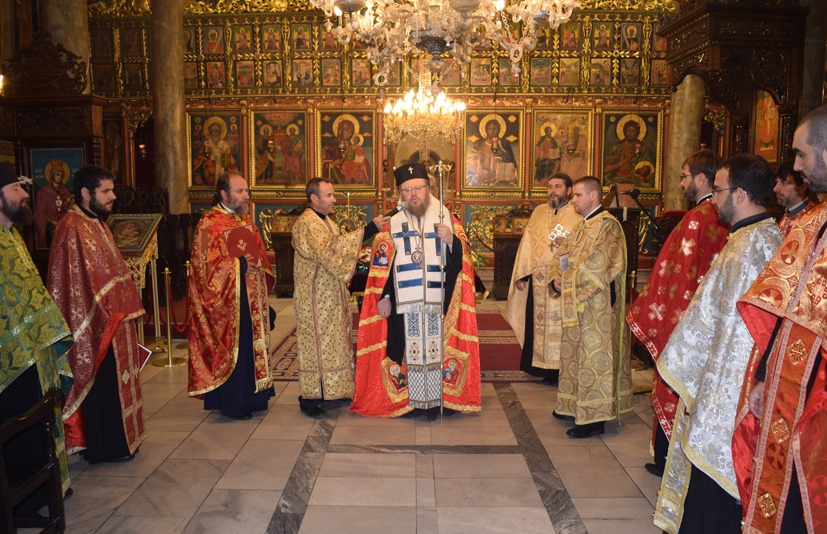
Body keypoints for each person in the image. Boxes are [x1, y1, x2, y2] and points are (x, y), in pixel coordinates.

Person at [653, 154, 782, 534]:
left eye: (720, 190)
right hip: (724, 372)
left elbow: (737, 334)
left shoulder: (748, 248)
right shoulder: (756, 237)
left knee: (715, 473)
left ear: (740, 194)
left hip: (728, 384)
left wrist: (711, 387)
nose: (715, 199)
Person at [732, 106, 827, 533]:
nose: (795, 165)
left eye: (801, 154)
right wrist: (765, 374)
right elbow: (782, 309)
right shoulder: (813, 222)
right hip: (791, 392)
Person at [350, 162, 481, 418]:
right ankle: (414, 401)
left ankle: (434, 401)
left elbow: (463, 260)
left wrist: (452, 241)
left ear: (428, 188)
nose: (413, 194)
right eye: (407, 190)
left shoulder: (445, 217)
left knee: (434, 351)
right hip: (403, 300)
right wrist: (385, 296)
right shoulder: (393, 221)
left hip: (437, 299)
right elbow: (384, 264)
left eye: (417, 188)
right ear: (401, 193)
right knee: (410, 352)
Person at [626, 149, 728, 478]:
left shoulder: (697, 218)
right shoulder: (721, 216)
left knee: (677, 386)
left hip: (686, 321)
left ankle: (670, 458)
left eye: (684, 176)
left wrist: (655, 314)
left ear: (700, 178)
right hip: (713, 326)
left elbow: (675, 274)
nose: (682, 183)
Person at [47, 165, 145, 464]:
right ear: (86, 193)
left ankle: (124, 440)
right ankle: (105, 447)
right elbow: (74, 284)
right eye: (106, 191)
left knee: (119, 382)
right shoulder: (71, 226)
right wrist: (107, 306)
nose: (113, 196)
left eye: (111, 190)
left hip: (114, 319)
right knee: (102, 386)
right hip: (93, 323)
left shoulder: (97, 222)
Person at [0, 161, 74, 503]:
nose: (24, 194)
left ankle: (47, 487)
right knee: (19, 424)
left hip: (35, 351)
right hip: (12, 359)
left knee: (38, 417)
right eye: (15, 190)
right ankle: (27, 497)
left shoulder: (12, 237)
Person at [291, 178, 389, 417]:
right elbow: (330, 251)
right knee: (317, 344)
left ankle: (332, 390)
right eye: (329, 195)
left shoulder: (327, 222)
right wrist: (368, 230)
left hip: (330, 295)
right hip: (314, 298)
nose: (334, 199)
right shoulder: (307, 223)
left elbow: (337, 247)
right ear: (314, 198)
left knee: (333, 342)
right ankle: (310, 398)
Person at [188, 172, 275, 420]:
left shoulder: (244, 219)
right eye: (240, 191)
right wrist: (240, 265)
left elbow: (258, 253)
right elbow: (204, 266)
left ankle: (255, 397)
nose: (246, 195)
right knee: (236, 346)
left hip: (251, 296)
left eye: (246, 190)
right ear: (224, 194)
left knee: (251, 344)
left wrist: (258, 265)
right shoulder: (209, 223)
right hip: (227, 302)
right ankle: (233, 403)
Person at [549, 176, 631, 438]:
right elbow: (565, 256)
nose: (573, 200)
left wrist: (569, 280)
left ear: (594, 196)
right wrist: (556, 278)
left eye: (577, 195)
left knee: (594, 358)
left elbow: (600, 264)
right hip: (578, 303)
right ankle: (573, 404)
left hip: (598, 307)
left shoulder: (608, 226)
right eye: (572, 196)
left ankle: (595, 418)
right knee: (575, 355)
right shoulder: (582, 226)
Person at [507, 173, 582, 385]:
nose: (553, 191)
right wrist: (522, 274)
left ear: (568, 190)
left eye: (558, 186)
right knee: (537, 325)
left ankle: (561, 370)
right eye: (549, 186)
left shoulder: (577, 214)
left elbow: (585, 244)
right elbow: (528, 242)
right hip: (539, 280)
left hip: (563, 278)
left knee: (562, 325)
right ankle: (539, 367)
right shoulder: (539, 212)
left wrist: (569, 241)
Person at [603, 119, 655, 187]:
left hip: (635, 180)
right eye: (628, 131)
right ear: (624, 132)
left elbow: (648, 167)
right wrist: (620, 164)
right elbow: (606, 170)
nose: (630, 133)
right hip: (618, 178)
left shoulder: (642, 148)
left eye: (633, 131)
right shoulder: (617, 148)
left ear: (637, 132)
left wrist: (640, 174)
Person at [35, 159, 73, 248]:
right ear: (52, 174)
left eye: (62, 175)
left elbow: (70, 208)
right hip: (50, 227)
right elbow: (39, 213)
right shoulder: (43, 192)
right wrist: (51, 221)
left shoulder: (65, 191)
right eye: (57, 174)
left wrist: (69, 203)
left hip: (64, 225)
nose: (59, 177)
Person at [467, 118, 518, 185]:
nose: (492, 131)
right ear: (486, 130)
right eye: (490, 129)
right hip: (480, 178)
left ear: (498, 130)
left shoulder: (503, 144)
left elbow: (511, 161)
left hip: (499, 179)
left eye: (494, 128)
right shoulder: (479, 145)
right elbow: (469, 160)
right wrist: (478, 156)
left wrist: (499, 153)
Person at [322, 117, 371, 185]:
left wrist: (363, 167)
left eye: (350, 130)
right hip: (338, 173)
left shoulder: (354, 147)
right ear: (339, 130)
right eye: (344, 129)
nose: (348, 133)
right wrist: (333, 164)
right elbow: (323, 164)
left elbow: (365, 163)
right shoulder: (331, 146)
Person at [193, 117, 238, 186]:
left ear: (220, 131)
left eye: (216, 131)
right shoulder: (205, 144)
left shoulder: (225, 145)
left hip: (222, 174)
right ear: (209, 131)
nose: (214, 133)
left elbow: (229, 162)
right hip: (208, 174)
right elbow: (199, 160)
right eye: (213, 131)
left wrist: (235, 173)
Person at [772, 159, 812, 237]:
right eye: (777, 182)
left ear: (802, 187)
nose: (775, 189)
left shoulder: (813, 221)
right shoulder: (786, 217)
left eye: (784, 182)